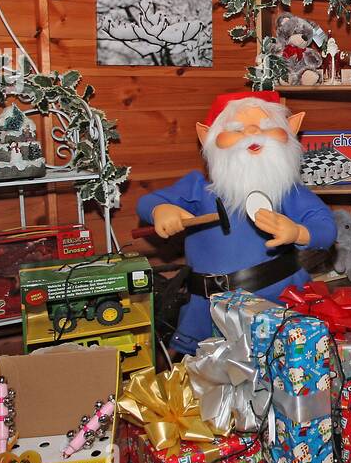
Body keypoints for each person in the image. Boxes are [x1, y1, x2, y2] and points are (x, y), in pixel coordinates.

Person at [137, 91, 336, 353]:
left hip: (276, 305)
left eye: (266, 126)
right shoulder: (199, 188)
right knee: (210, 380)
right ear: (207, 137)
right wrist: (162, 210)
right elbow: (147, 202)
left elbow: (326, 228)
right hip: (208, 311)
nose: (253, 132)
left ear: (290, 131)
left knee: (282, 370)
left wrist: (298, 232)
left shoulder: (288, 192)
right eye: (235, 128)